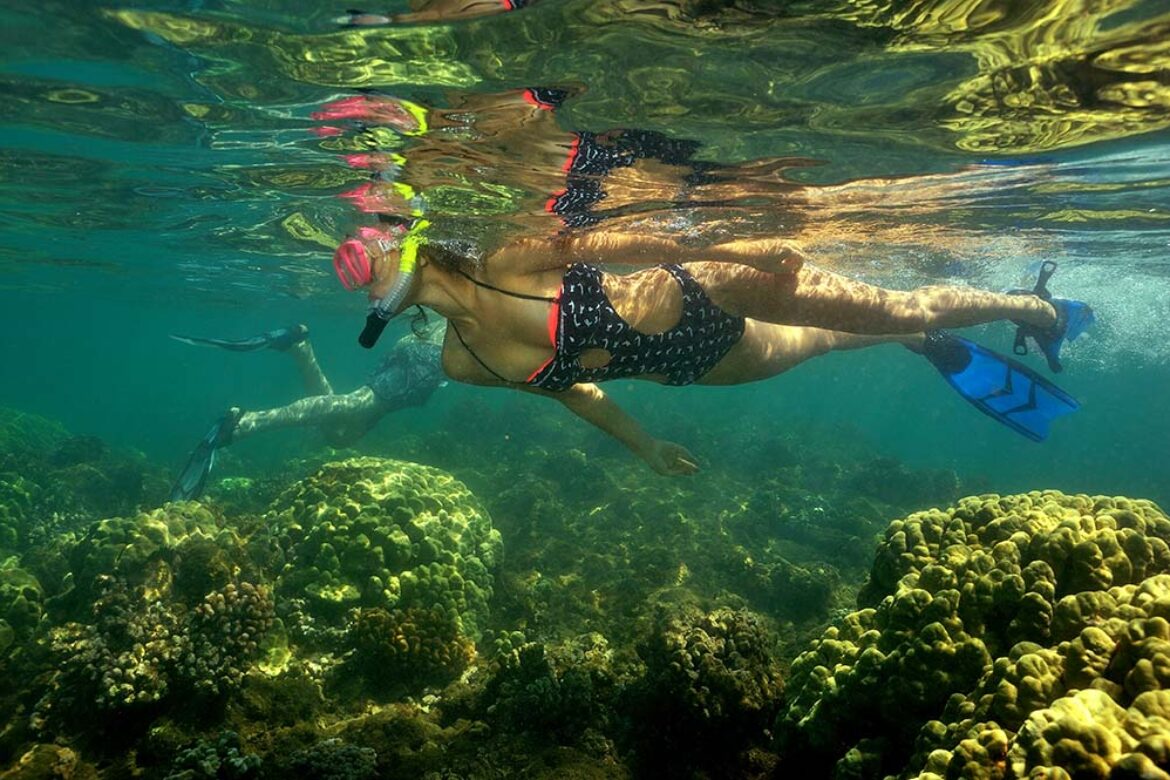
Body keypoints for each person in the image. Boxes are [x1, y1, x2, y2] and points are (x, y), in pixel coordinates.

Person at [331, 220, 1094, 475]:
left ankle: (1036, 307)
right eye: (359, 282)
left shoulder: (505, 260)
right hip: (698, 366)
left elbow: (629, 239)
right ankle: (920, 343)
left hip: (711, 288)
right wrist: (647, 444)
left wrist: (746, 253)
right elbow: (570, 390)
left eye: (366, 264)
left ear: (413, 247)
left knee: (897, 301)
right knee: (829, 339)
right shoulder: (462, 361)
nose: (367, 291)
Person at [169, 320, 446, 500]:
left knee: (341, 433)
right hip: (430, 359)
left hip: (417, 346)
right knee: (356, 404)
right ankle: (246, 423)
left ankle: (301, 347)